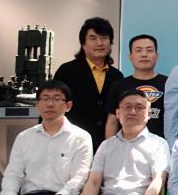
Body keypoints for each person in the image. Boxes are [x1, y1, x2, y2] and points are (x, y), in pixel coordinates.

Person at [52, 17, 124, 150]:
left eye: (104, 38)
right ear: (83, 44)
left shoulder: (117, 76)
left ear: (111, 43)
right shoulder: (67, 71)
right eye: (93, 38)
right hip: (71, 144)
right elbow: (52, 105)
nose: (99, 43)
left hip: (105, 145)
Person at [104, 34, 168, 139]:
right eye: (138, 50)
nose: (144, 55)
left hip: (161, 145)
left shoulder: (169, 83)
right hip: (126, 145)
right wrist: (109, 145)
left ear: (156, 56)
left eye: (149, 50)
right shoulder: (118, 85)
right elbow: (112, 121)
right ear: (130, 57)